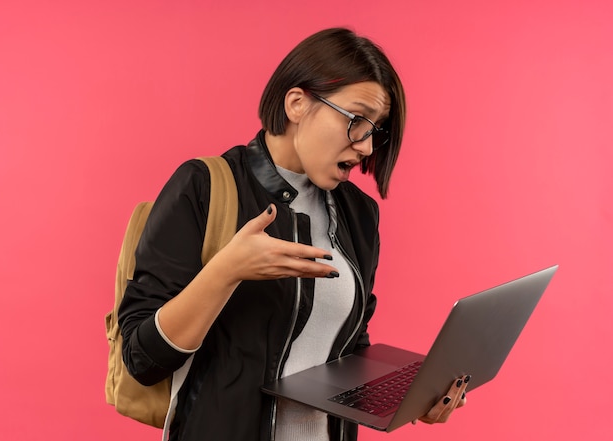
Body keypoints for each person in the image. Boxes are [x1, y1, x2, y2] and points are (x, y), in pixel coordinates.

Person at [118, 27, 467, 441]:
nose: (368, 147)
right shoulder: (203, 186)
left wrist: (411, 393)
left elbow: (346, 350)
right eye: (357, 121)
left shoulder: (358, 213)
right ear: (298, 103)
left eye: (377, 129)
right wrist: (226, 270)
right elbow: (142, 359)